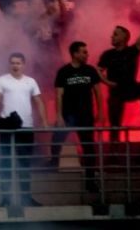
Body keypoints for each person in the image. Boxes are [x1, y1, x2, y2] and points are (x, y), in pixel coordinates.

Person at [0, 52, 47, 207]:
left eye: (18, 63)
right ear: (9, 64)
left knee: (24, 163)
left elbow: (39, 102)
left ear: (23, 64)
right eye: (12, 62)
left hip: (26, 127)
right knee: (6, 162)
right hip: (7, 127)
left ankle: (26, 198)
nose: (15, 65)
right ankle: (6, 199)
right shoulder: (2, 80)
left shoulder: (31, 81)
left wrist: (45, 122)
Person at [52, 41, 102, 191]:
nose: (87, 54)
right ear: (75, 54)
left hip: (86, 115)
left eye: (86, 52)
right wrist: (59, 116)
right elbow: (59, 95)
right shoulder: (63, 72)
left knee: (88, 148)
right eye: (84, 52)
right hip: (68, 115)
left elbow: (98, 93)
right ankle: (53, 164)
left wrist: (100, 112)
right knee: (56, 140)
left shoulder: (90, 71)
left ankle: (90, 180)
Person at [97, 24, 140, 133]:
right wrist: (108, 82)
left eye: (115, 34)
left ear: (124, 37)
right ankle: (115, 142)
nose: (112, 37)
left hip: (131, 88)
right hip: (116, 91)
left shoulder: (132, 51)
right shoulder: (108, 54)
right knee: (114, 120)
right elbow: (97, 71)